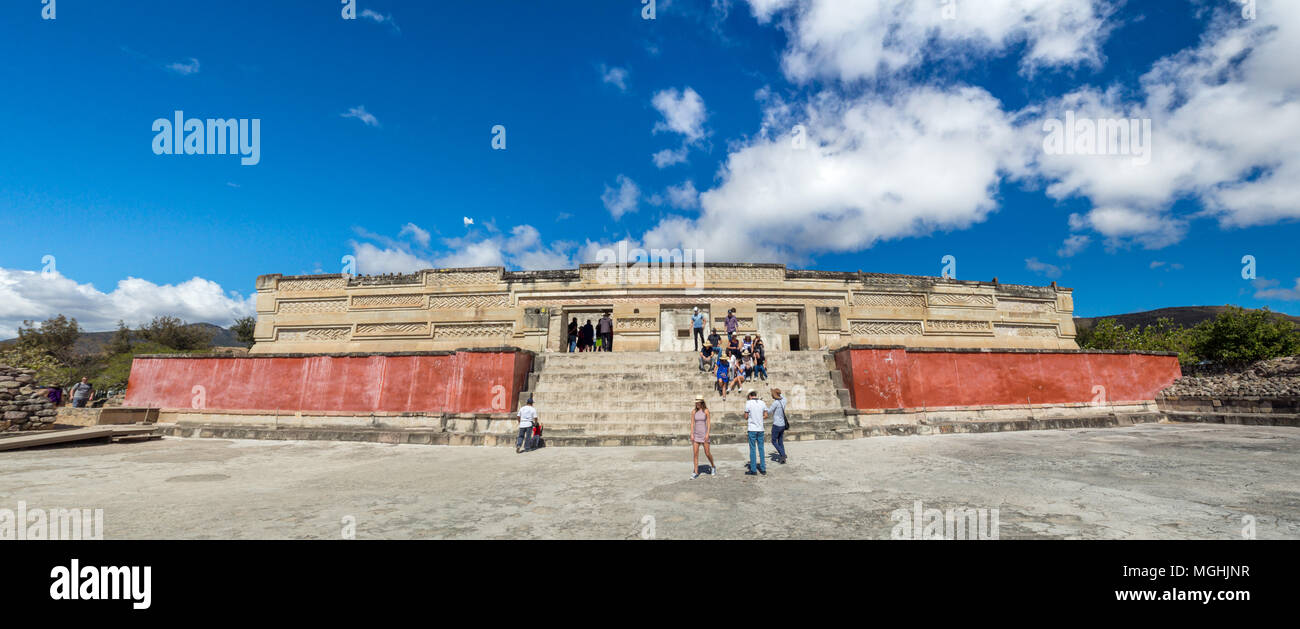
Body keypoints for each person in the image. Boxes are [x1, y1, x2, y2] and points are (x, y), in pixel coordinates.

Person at [689, 397, 716, 479]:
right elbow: (692, 423)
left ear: (702, 402)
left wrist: (707, 434)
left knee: (707, 453)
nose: (697, 404)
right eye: (696, 402)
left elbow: (708, 423)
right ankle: (696, 472)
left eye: (698, 402)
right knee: (695, 454)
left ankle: (713, 466)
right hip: (696, 434)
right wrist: (691, 434)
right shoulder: (694, 411)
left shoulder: (706, 411)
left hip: (704, 434)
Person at [744, 390, 768, 476]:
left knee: (753, 449)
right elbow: (766, 415)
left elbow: (746, 417)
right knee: (761, 449)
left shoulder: (748, 403)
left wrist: (752, 417)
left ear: (750, 395)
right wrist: (759, 417)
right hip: (760, 428)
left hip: (752, 429)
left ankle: (753, 470)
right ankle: (763, 469)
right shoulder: (762, 402)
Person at [768, 388, 789, 464]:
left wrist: (762, 406)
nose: (771, 396)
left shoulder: (775, 403)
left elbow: (769, 411)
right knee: (780, 441)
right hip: (783, 424)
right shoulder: (784, 400)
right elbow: (781, 395)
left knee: (773, 441)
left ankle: (783, 455)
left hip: (776, 424)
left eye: (772, 394)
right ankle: (783, 454)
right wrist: (775, 392)